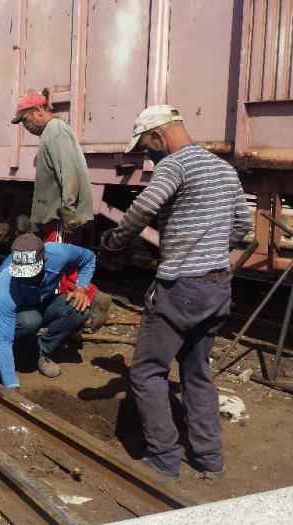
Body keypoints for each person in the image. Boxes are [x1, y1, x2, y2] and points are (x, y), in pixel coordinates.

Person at [101, 105, 253, 481]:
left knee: (147, 373)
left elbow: (142, 208)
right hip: (218, 287)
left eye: (147, 145)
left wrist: (115, 241)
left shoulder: (174, 164)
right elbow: (244, 227)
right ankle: (209, 457)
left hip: (180, 287)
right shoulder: (223, 168)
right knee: (197, 373)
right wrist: (213, 251)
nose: (148, 153)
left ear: (159, 135)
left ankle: (165, 459)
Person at [11, 91, 111, 330]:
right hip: (57, 214)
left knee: (56, 262)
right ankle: (85, 304)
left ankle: (92, 301)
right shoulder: (54, 132)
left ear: (38, 111)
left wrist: (67, 209)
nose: (25, 126)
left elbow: (69, 172)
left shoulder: (55, 131)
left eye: (25, 120)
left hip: (58, 215)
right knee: (64, 264)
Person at [0, 234, 95, 386]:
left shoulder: (60, 254)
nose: (27, 279)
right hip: (16, 309)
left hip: (41, 301)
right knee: (30, 321)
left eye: (31, 273)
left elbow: (89, 258)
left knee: (79, 311)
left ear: (44, 260)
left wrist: (81, 288)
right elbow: (3, 340)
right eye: (22, 274)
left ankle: (40, 351)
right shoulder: (6, 281)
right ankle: (20, 348)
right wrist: (10, 385)